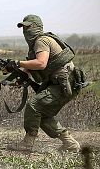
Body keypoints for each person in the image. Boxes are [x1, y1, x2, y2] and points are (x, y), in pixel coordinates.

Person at [6, 14, 83, 152]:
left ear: (36, 27)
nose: (25, 30)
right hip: (62, 83)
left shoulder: (41, 41)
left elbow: (41, 63)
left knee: (33, 106)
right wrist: (17, 76)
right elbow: (32, 68)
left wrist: (17, 63)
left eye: (28, 27)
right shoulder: (37, 43)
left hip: (64, 83)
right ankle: (69, 143)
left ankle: (27, 143)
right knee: (42, 114)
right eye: (23, 27)